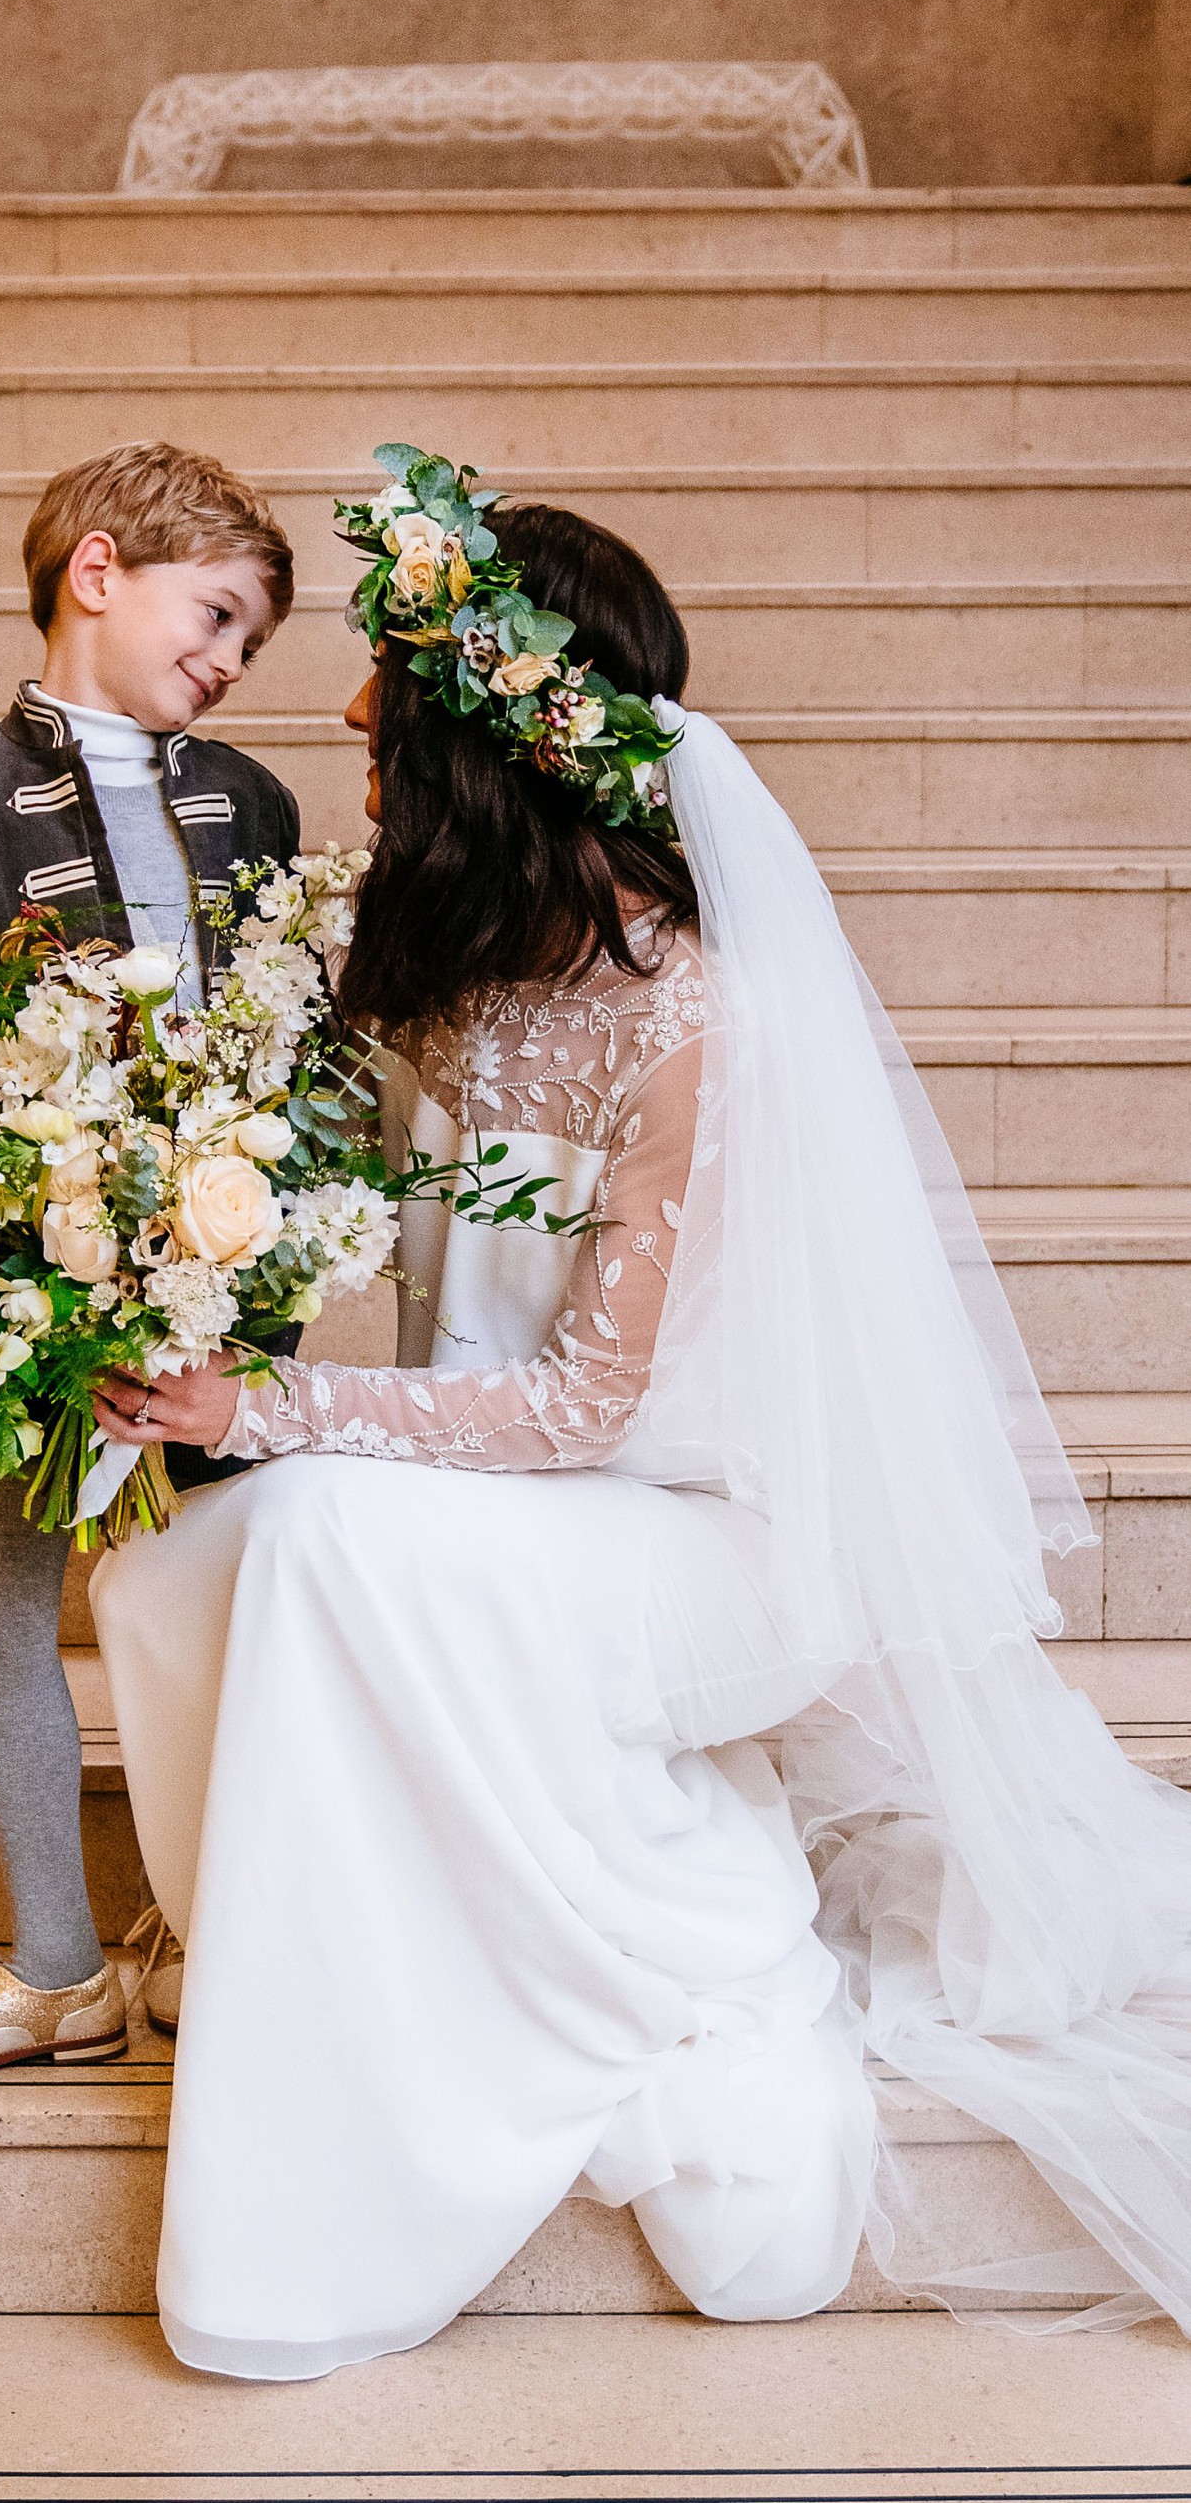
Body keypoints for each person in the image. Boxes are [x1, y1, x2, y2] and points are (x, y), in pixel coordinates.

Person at [87, 477, 1191, 2379]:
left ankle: (479, 2043)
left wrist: (269, 1400)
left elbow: (595, 1400)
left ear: (491, 744)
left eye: (391, 702)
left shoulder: (692, 1015)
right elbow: (293, 1172)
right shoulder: (452, 959)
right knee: (205, 1550)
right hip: (535, 1509)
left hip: (707, 1540)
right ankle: (319, 1959)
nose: (350, 722)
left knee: (322, 1529)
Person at [0, 441, 301, 2084]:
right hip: (37, 1267)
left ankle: (191, 1928)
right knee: (5, 1594)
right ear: (96, 571)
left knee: (222, 1594)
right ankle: (52, 1963)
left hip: (224, 1272)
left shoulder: (251, 799)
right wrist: (57, 1132)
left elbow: (289, 1024)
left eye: (251, 643)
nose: (231, 659)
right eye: (218, 612)